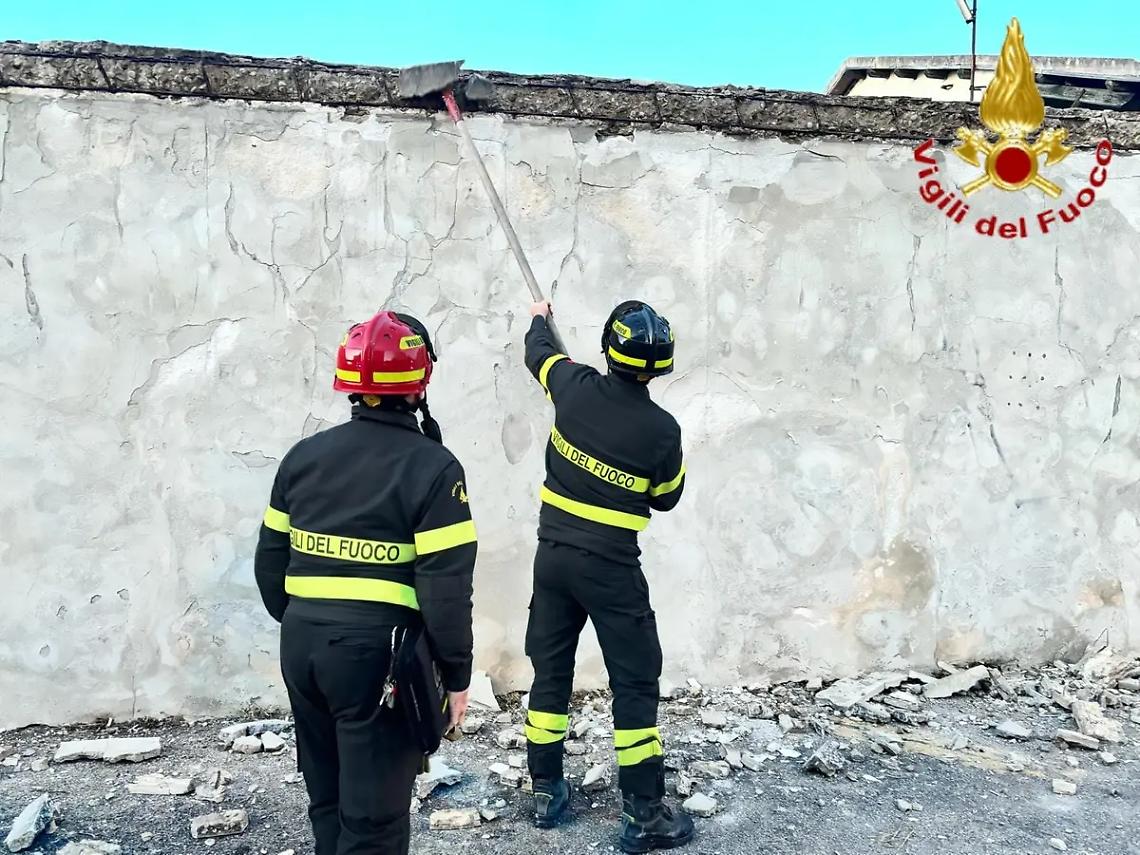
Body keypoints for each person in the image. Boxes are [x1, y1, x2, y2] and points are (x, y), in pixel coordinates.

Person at [254, 310, 477, 855]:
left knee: (328, 801)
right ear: (420, 383)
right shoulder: (435, 468)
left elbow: (269, 565)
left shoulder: (303, 458)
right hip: (376, 658)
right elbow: (446, 590)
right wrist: (456, 676)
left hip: (302, 645)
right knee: (373, 823)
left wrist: (312, 622)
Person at [522, 299, 692, 853]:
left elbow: (538, 354)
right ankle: (644, 814)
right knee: (635, 682)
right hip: (612, 569)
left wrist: (539, 316)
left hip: (553, 561)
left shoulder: (571, 386)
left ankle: (545, 792)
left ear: (607, 348)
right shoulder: (663, 431)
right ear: (661, 364)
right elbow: (666, 497)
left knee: (550, 672)